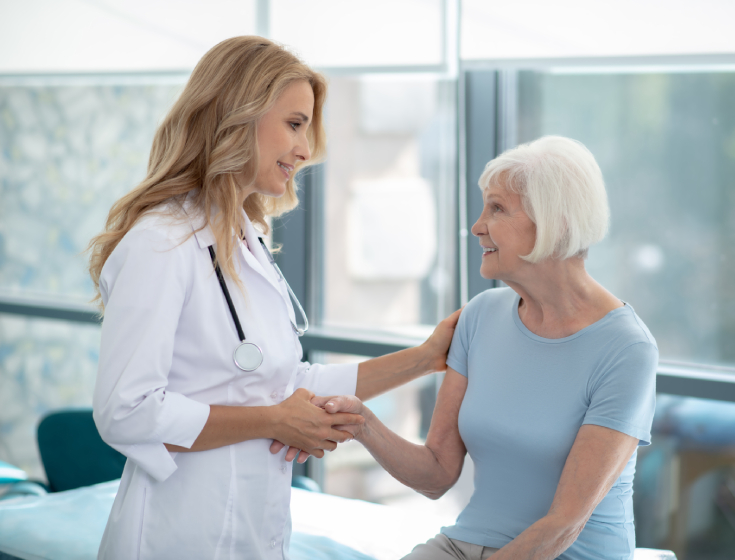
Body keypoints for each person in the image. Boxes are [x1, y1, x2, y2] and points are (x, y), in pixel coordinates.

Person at [87, 36, 460, 560]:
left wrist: (424, 359)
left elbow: (285, 383)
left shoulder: (245, 238)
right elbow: (125, 411)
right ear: (237, 115)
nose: (306, 150)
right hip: (178, 533)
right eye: (294, 123)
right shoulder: (161, 241)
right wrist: (273, 420)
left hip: (255, 528)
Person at [310, 136, 659, 560]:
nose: (477, 226)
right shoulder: (480, 316)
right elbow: (437, 473)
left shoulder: (626, 348)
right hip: (464, 544)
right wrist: (364, 423)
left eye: (496, 208)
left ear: (556, 222)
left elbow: (563, 525)